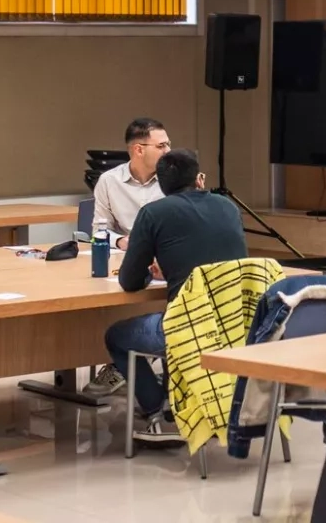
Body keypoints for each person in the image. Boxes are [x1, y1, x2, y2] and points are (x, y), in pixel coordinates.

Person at [104, 149, 248, 439]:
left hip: (187, 328)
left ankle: (156, 407)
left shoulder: (153, 213)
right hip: (237, 323)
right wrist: (172, 268)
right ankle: (177, 404)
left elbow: (129, 281)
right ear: (199, 179)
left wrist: (151, 271)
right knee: (176, 319)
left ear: (161, 184)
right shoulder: (228, 207)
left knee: (117, 336)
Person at [85, 117, 171, 397]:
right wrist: (122, 241)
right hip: (126, 258)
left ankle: (150, 376)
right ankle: (123, 365)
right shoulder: (109, 181)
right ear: (138, 149)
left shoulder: (173, 180)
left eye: (168, 144)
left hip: (166, 260)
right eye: (161, 145)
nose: (168, 151)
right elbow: (99, 230)